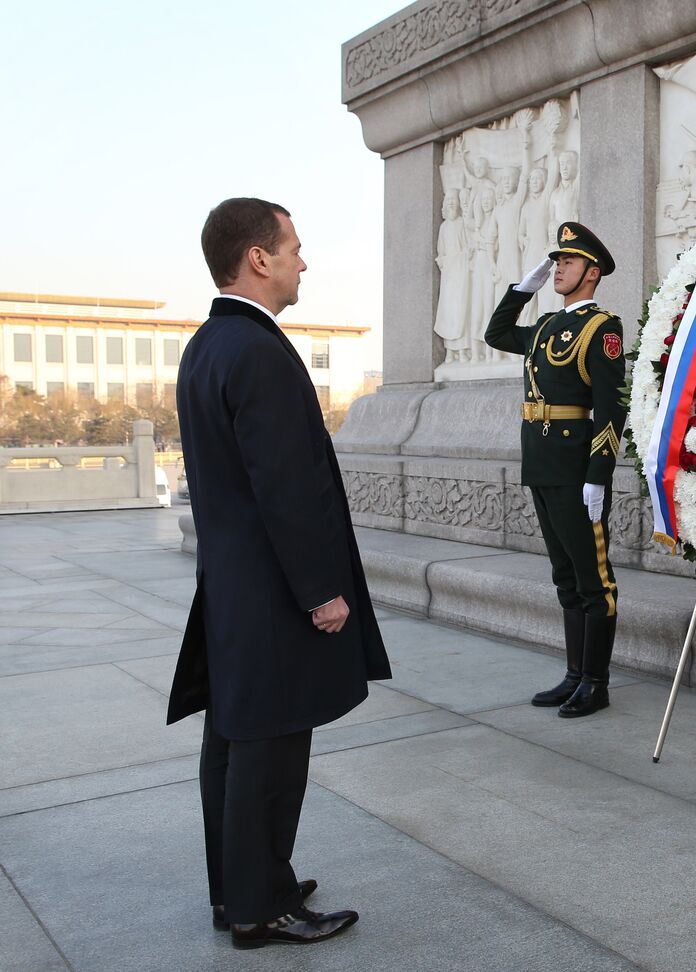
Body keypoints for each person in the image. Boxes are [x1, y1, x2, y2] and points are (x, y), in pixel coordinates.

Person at [170, 197, 392, 948]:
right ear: (257, 258)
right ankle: (262, 908)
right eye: (293, 246)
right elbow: (284, 486)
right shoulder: (259, 350)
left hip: (234, 584)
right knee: (270, 746)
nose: (304, 260)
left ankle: (237, 887)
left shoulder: (208, 344)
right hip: (271, 589)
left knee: (231, 740)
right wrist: (320, 591)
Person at [485, 222, 626, 718]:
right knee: (565, 576)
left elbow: (612, 409)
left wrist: (598, 475)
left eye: (567, 262)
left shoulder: (602, 327)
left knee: (595, 581)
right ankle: (573, 675)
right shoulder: (545, 326)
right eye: (557, 262)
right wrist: (524, 288)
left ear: (592, 272)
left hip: (574, 469)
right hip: (542, 465)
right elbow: (496, 333)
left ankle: (596, 682)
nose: (559, 268)